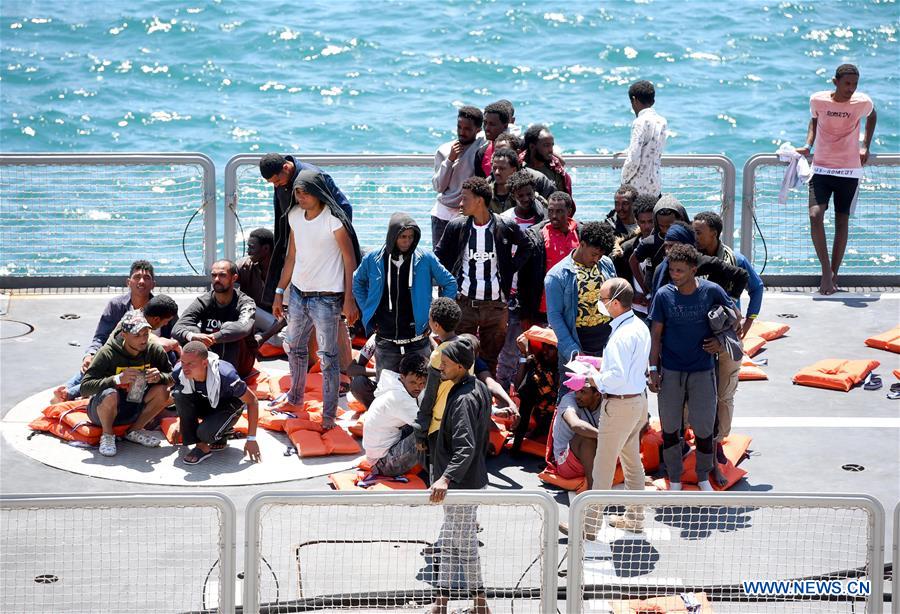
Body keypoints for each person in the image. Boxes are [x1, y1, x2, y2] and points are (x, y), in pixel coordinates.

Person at [271, 169, 361, 430]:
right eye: (297, 193)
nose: (301, 197)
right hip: (298, 295)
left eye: (305, 193)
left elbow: (350, 261)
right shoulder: (293, 216)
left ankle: (328, 416)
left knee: (328, 358)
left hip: (327, 299)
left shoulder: (334, 220)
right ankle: (295, 399)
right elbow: (291, 257)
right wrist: (279, 292)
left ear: (319, 193)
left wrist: (349, 300)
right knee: (294, 347)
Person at [648, 244, 739, 491]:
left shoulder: (712, 291)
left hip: (703, 370)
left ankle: (703, 476)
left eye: (680, 270)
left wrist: (720, 341)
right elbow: (655, 334)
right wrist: (653, 369)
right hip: (671, 370)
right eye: (671, 270)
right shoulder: (663, 295)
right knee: (670, 427)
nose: (674, 275)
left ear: (693, 270)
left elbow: (735, 318)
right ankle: (675, 478)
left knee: (704, 427)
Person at [435, 177, 531, 374]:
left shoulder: (504, 225)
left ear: (479, 200)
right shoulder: (457, 226)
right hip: (464, 304)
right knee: (460, 358)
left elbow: (527, 246)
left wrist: (510, 268)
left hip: (496, 307)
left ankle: (485, 392)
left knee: (490, 360)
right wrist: (449, 283)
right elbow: (439, 255)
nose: (460, 203)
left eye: (465, 198)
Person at [795, 64, 877, 295]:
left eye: (855, 84)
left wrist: (865, 145)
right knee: (815, 215)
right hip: (821, 168)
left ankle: (833, 275)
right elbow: (814, 120)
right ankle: (825, 272)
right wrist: (808, 145)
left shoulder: (862, 102)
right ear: (835, 82)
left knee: (842, 221)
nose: (851, 88)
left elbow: (872, 115)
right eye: (847, 83)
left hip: (849, 171)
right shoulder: (818, 100)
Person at [426, 337, 491, 614]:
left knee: (464, 547)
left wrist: (445, 478)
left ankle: (480, 602)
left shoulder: (463, 398)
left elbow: (465, 446)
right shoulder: (477, 387)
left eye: (446, 363)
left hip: (462, 485)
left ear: (461, 367)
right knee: (451, 544)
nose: (440, 367)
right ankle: (442, 602)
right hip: (470, 480)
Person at [693, 210, 765, 460]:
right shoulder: (691, 259)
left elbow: (757, 288)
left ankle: (718, 442)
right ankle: (692, 438)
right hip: (698, 338)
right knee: (694, 394)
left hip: (726, 337)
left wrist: (749, 321)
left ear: (714, 233)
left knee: (724, 394)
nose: (695, 236)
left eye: (699, 232)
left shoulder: (737, 260)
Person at [353, 211, 457, 378]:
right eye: (403, 237)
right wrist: (368, 311)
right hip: (386, 341)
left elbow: (450, 283)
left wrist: (436, 315)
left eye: (411, 237)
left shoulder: (425, 258)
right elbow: (358, 281)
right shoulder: (373, 258)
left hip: (418, 341)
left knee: (421, 387)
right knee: (385, 388)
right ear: (392, 236)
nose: (407, 241)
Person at [55, 260, 173, 402]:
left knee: (134, 385)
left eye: (146, 278)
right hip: (120, 357)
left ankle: (71, 393)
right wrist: (90, 355)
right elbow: (101, 337)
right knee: (97, 363)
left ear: (153, 284)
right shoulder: (116, 306)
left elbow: (176, 336)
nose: (141, 282)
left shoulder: (163, 307)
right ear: (128, 282)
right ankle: (67, 390)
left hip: (149, 361)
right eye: (137, 277)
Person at [589, 278, 651, 532]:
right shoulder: (639, 326)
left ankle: (589, 524)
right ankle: (635, 518)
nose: (599, 303)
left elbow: (615, 378)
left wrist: (592, 378)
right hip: (637, 401)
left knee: (602, 467)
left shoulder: (620, 336)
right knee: (632, 461)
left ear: (615, 303)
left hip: (620, 406)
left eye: (602, 299)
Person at [258, 152, 353, 307]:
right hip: (295, 244)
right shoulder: (280, 182)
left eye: (277, 181)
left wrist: (334, 238)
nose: (275, 185)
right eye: (272, 183)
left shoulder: (316, 176)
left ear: (286, 167)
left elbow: (344, 209)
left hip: (322, 248)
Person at [80, 312, 174, 457]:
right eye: (137, 335)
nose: (143, 339)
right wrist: (117, 380)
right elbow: (85, 388)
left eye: (146, 334)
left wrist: (160, 377)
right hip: (103, 411)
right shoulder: (107, 353)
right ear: (124, 335)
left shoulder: (154, 350)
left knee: (164, 390)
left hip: (134, 406)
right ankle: (107, 435)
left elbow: (173, 377)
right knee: (110, 394)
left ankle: (134, 430)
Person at [495, 170, 548, 390]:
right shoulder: (505, 220)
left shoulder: (544, 218)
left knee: (537, 345)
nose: (526, 199)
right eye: (520, 195)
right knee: (510, 346)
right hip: (513, 292)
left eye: (529, 194)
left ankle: (530, 390)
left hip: (536, 292)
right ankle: (502, 389)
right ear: (512, 196)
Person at [545, 221, 617, 380]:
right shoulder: (556, 276)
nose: (597, 259)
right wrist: (574, 352)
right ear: (582, 244)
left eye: (600, 255)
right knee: (574, 391)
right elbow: (555, 317)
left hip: (607, 344)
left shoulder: (607, 264)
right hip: (578, 344)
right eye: (594, 254)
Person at [172, 341, 261, 466]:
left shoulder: (227, 376)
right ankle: (205, 442)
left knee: (204, 433)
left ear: (204, 363)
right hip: (207, 402)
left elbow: (252, 401)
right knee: (178, 393)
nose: (185, 368)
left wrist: (251, 439)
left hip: (228, 406)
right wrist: (181, 422)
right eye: (183, 362)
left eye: (191, 364)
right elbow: (182, 401)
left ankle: (217, 434)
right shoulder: (179, 372)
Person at [173, 260, 258, 378]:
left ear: (234, 278)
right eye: (214, 275)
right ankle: (203, 373)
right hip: (209, 356)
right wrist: (193, 336)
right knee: (192, 331)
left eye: (222, 275)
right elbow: (177, 327)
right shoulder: (203, 301)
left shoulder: (245, 302)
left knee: (229, 329)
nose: (217, 279)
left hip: (240, 363)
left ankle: (226, 377)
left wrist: (213, 338)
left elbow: (243, 328)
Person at [361, 353, 428, 478]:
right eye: (413, 382)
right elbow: (425, 424)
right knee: (431, 432)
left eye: (422, 383)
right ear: (402, 377)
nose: (418, 388)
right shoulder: (399, 397)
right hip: (383, 464)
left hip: (382, 452)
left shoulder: (397, 384)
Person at [519, 191, 581, 328]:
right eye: (551, 211)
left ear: (569, 211)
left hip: (576, 309)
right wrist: (525, 314)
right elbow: (523, 278)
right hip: (543, 310)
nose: (553, 216)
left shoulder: (581, 233)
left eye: (559, 211)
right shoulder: (536, 236)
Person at [650, 221, 749, 303]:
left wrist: (732, 299)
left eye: (672, 246)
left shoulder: (704, 262)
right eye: (666, 246)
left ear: (686, 245)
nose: (668, 251)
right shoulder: (661, 269)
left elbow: (742, 275)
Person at [431, 106, 485, 245]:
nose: (462, 132)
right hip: (442, 214)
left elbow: (503, 131)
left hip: (467, 215)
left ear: (478, 130)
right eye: (459, 127)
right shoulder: (444, 150)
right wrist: (450, 160)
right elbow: (439, 187)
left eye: (467, 129)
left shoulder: (481, 146)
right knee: (440, 256)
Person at [629, 195, 688, 309]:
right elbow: (633, 262)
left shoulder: (689, 240)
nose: (666, 230)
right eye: (662, 226)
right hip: (660, 303)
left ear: (680, 220)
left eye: (669, 226)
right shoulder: (650, 243)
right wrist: (648, 293)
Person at [237, 228, 287, 350]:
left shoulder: (284, 270)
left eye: (252, 247)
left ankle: (255, 338)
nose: (248, 252)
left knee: (290, 338)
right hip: (252, 316)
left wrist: (263, 337)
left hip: (278, 322)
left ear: (265, 249)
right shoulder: (244, 266)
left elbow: (286, 315)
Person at [618, 80, 667, 197]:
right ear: (653, 101)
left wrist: (623, 181)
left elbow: (634, 158)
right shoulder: (662, 121)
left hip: (637, 189)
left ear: (634, 100)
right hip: (655, 186)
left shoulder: (639, 122)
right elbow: (651, 149)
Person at [612, 194, 657, 320]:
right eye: (643, 222)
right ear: (637, 221)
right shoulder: (626, 249)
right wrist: (631, 296)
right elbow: (619, 279)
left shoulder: (664, 247)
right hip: (635, 311)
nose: (647, 227)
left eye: (651, 222)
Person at [522, 124, 572, 194]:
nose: (551, 150)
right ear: (532, 147)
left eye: (552, 145)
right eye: (546, 145)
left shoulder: (555, 171)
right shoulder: (520, 168)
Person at [474, 100, 511, 179]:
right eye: (485, 123)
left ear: (505, 126)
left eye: (492, 124)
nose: (487, 128)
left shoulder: (518, 148)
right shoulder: (481, 153)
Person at [347, 333, 378, 409]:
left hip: (402, 387)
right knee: (358, 383)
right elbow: (351, 369)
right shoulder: (375, 339)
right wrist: (379, 372)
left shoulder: (407, 338)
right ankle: (374, 410)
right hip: (380, 387)